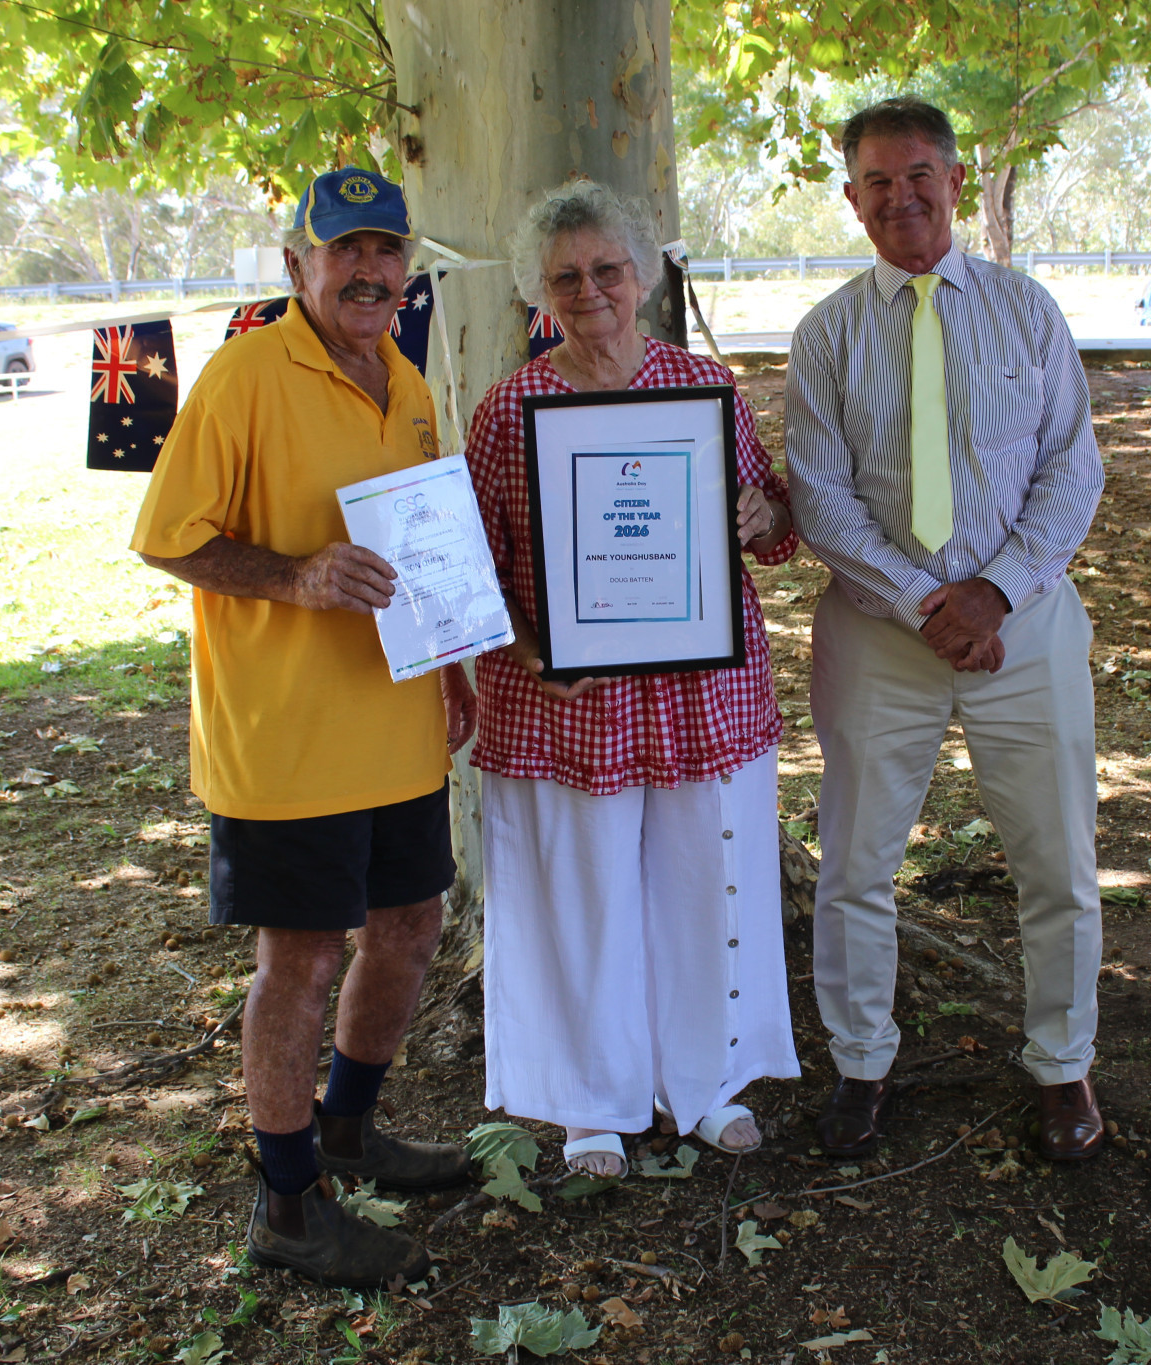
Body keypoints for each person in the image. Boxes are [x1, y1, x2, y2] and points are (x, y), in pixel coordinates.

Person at [132, 167, 476, 1286]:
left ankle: (349, 1126)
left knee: (413, 925)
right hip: (283, 739)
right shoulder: (243, 377)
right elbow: (170, 539)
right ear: (297, 266)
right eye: (346, 252)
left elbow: (424, 542)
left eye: (387, 252)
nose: (370, 272)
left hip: (394, 720)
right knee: (301, 959)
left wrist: (453, 662)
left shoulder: (405, 379)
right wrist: (293, 577)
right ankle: (286, 1204)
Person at [784, 98, 1109, 1163]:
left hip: (1025, 633)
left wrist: (996, 591)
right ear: (849, 200)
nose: (899, 196)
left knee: (1055, 860)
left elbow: (1071, 468)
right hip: (882, 640)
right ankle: (861, 1064)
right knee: (854, 866)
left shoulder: (1026, 313)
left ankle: (1063, 1067)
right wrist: (925, 601)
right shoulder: (827, 334)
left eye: (918, 173)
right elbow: (820, 501)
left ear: (957, 183)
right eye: (875, 181)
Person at [464, 178, 801, 1178]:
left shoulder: (705, 388)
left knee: (710, 887)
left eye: (607, 268)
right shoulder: (508, 406)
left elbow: (778, 522)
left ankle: (706, 1085)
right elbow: (470, 567)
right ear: (539, 291)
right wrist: (530, 649)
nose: (590, 289)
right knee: (584, 895)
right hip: (567, 704)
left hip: (704, 697)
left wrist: (756, 516)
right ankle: (589, 1105)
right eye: (565, 276)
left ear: (643, 271)